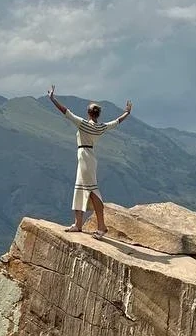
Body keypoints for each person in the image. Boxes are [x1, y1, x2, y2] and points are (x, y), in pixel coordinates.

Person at [47, 86, 132, 235]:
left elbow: (66, 111)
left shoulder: (83, 124)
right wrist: (127, 113)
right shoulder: (100, 127)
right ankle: (78, 224)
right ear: (98, 114)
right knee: (80, 188)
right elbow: (116, 122)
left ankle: (101, 226)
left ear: (88, 113)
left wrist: (53, 99)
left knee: (92, 190)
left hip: (85, 156)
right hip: (88, 156)